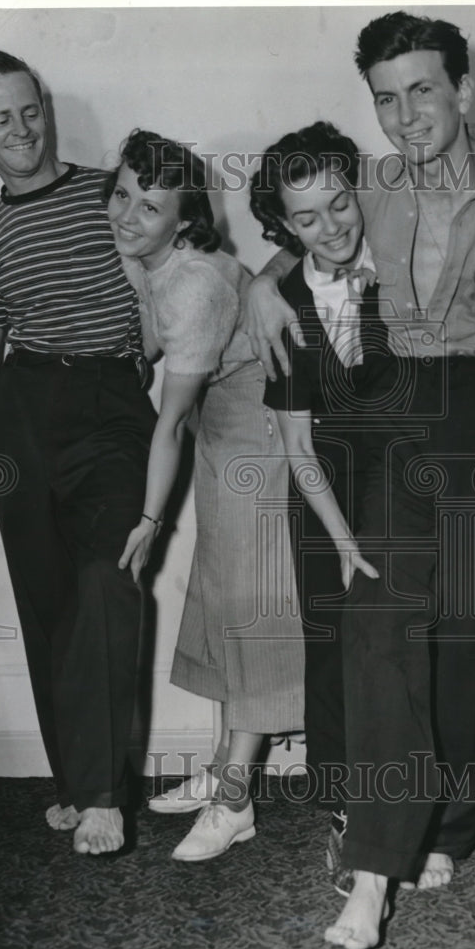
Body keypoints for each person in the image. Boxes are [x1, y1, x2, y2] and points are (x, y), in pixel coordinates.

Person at [247, 12, 475, 949]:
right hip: (394, 420)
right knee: (383, 623)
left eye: (421, 89)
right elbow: (308, 233)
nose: (405, 115)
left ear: (463, 87)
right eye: (384, 98)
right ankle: (375, 864)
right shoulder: (368, 184)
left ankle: (442, 826)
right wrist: (263, 277)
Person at [0, 50, 156, 855]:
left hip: (109, 406)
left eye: (29, 110)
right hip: (29, 408)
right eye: (0, 117)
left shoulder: (112, 193)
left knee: (110, 577)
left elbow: (183, 258)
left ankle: (104, 793)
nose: (21, 129)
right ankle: (75, 781)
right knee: (48, 603)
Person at [107, 129, 305, 861]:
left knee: (251, 618)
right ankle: (225, 768)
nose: (128, 215)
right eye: (122, 194)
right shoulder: (163, 261)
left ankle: (234, 800)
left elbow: (168, 421)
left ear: (182, 218)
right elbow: (152, 346)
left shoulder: (192, 283)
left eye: (149, 207)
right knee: (225, 606)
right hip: (226, 434)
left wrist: (150, 519)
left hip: (261, 440)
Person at [249, 121, 381, 895]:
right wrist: (338, 540)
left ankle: (414, 818)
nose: (330, 227)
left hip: (409, 480)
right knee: (332, 655)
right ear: (283, 226)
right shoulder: (284, 301)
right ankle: (342, 817)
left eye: (339, 204)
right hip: (324, 495)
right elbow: (297, 449)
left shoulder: (402, 260)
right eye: (306, 218)